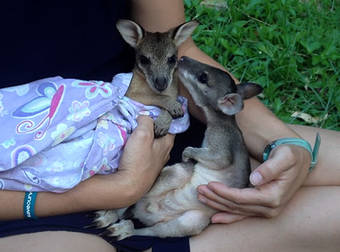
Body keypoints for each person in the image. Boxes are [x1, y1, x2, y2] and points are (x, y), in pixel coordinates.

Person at [0, 0, 339, 251]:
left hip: (153, 125)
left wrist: (281, 142)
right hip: (29, 183)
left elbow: (182, 49)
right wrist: (123, 188)